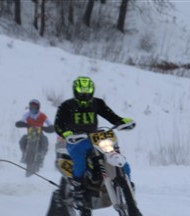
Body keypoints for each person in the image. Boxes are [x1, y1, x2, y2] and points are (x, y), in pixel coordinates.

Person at [53, 76, 133, 205]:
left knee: (116, 155)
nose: (85, 96)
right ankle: (77, 188)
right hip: (75, 140)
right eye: (82, 93)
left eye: (87, 92)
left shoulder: (97, 103)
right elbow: (58, 125)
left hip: (95, 137)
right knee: (80, 162)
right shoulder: (66, 106)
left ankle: (127, 183)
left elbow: (110, 115)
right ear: (75, 91)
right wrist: (65, 133)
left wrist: (121, 121)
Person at [16, 98, 55, 163]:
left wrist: (50, 127)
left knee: (45, 140)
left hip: (40, 133)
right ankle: (24, 153)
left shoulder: (42, 115)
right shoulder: (27, 114)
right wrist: (21, 123)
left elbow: (49, 123)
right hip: (30, 133)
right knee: (22, 140)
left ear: (38, 107)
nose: (33, 108)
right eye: (31, 106)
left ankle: (42, 156)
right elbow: (22, 120)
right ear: (29, 107)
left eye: (35, 107)